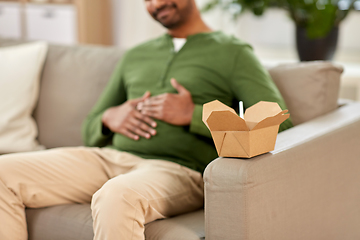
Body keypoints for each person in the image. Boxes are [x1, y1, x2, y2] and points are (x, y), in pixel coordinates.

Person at [0, 0, 293, 239]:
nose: (156, 4)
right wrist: (109, 118)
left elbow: (278, 123)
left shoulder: (232, 52)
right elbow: (90, 129)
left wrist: (192, 114)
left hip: (179, 171)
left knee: (118, 196)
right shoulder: (136, 55)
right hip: (108, 158)